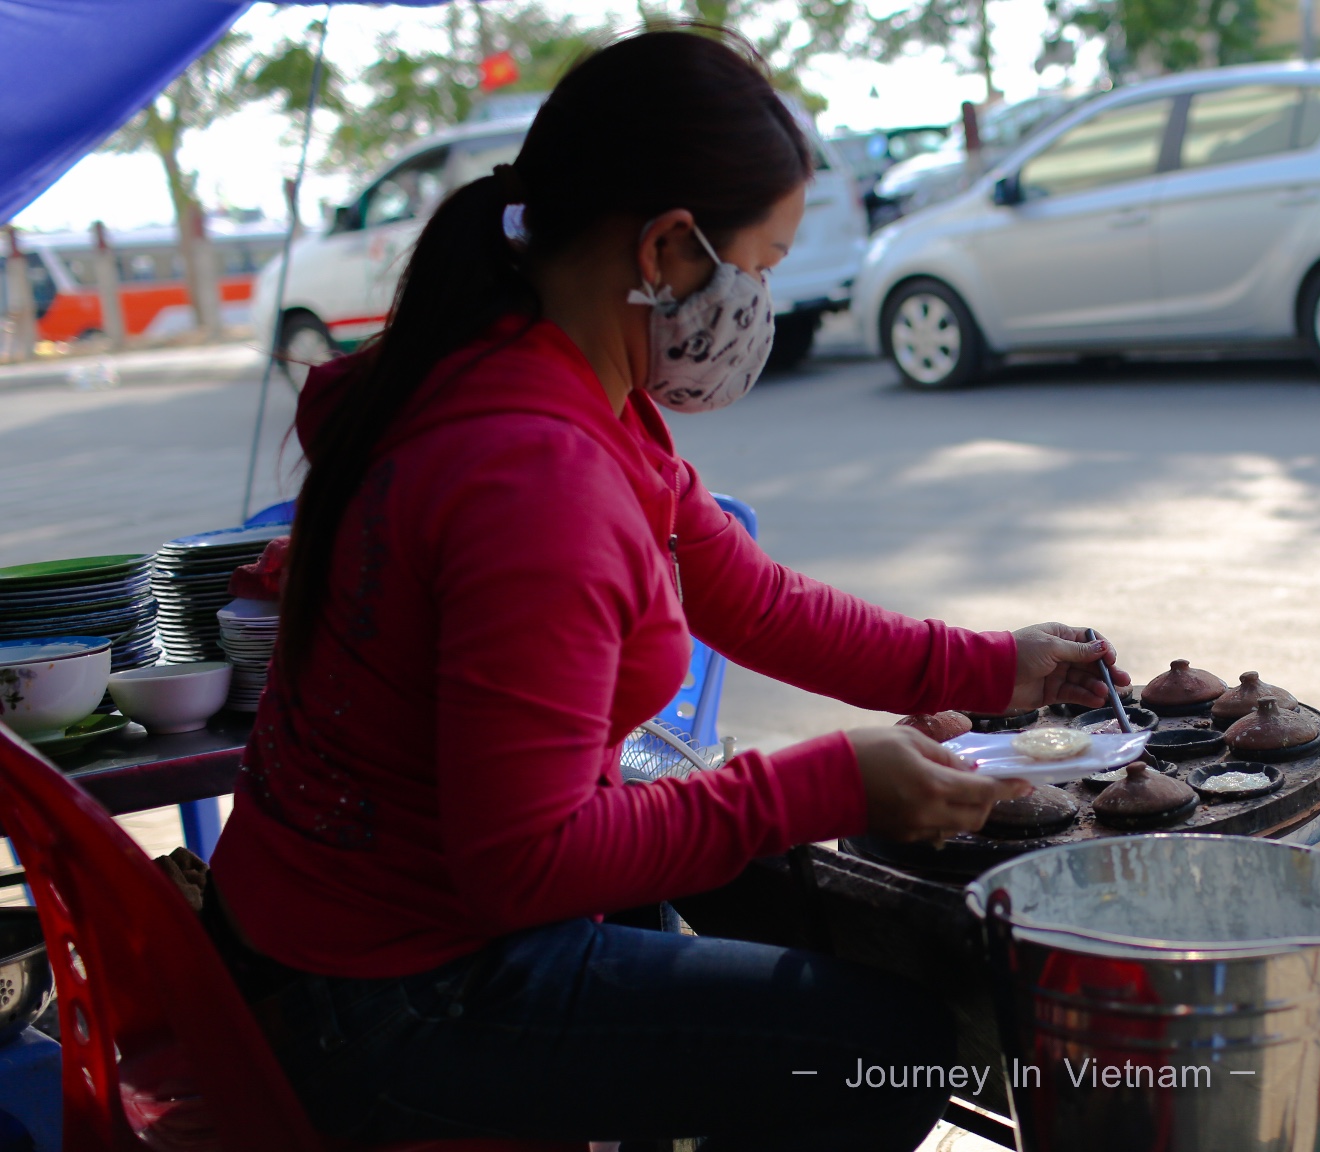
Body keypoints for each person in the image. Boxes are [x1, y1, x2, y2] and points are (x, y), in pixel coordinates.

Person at [205, 28, 1127, 1150]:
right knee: (888, 1055)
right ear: (666, 249)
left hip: (309, 931)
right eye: (767, 265)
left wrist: (998, 667)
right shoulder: (535, 480)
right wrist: (830, 783)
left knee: (726, 901)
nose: (766, 302)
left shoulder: (533, 369)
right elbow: (524, 866)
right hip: (379, 999)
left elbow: (754, 601)